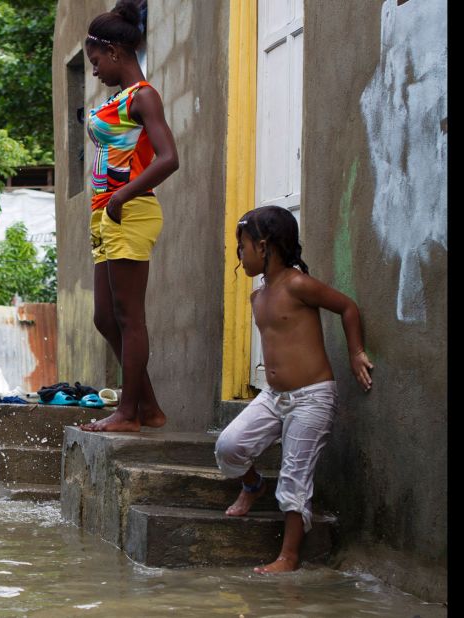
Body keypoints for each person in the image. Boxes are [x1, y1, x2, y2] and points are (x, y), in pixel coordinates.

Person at [214, 205, 375, 574]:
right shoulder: (258, 297)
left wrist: (356, 353)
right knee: (229, 447)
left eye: (244, 246)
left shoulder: (298, 284)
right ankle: (252, 486)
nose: (240, 254)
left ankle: (288, 557)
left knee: (294, 477)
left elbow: (347, 307)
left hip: (312, 397)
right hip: (273, 397)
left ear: (265, 245)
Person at [79, 0, 180, 433]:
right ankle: (149, 408)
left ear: (115, 53)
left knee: (128, 316)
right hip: (107, 214)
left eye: (96, 60)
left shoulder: (144, 97)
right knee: (106, 317)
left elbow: (169, 158)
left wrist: (123, 196)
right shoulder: (118, 99)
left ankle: (127, 413)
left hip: (130, 211)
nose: (95, 70)